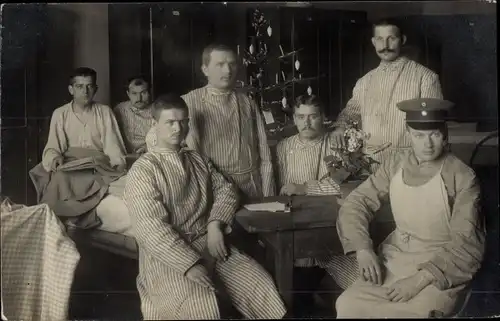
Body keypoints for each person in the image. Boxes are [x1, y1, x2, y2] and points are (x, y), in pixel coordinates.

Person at [124, 94, 287, 319]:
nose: (178, 128)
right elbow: (150, 229)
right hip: (166, 257)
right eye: (169, 122)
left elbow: (227, 191)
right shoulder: (144, 170)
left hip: (207, 242)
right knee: (201, 305)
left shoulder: (197, 159)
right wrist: (188, 265)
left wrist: (214, 224)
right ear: (154, 124)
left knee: (259, 284)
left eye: (183, 121)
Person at [334, 98, 486, 318]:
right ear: (408, 135)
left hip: (440, 271)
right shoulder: (396, 163)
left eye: (434, 134)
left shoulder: (462, 177)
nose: (427, 144)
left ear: (445, 135)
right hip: (395, 261)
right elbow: (356, 202)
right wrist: (362, 248)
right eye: (419, 136)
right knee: (347, 305)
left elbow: (467, 244)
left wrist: (417, 281)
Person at [146, 44, 275, 201]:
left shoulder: (247, 102)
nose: (228, 71)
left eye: (232, 64)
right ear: (205, 69)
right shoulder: (188, 102)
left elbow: (264, 153)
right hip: (211, 189)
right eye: (220, 65)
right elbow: (155, 140)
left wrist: (269, 196)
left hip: (251, 189)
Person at [276, 95, 358, 316]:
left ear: (324, 118)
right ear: (294, 119)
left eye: (313, 116)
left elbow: (344, 187)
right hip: (294, 226)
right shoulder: (284, 147)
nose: (307, 123)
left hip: (331, 226)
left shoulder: (337, 144)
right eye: (301, 117)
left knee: (356, 285)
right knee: (295, 289)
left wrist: (305, 188)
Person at [330, 19, 443, 171]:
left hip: (411, 164)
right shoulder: (364, 82)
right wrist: (339, 129)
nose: (385, 46)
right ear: (373, 42)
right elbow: (350, 113)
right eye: (380, 39)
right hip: (370, 166)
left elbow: (434, 128)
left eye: (392, 38)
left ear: (402, 40)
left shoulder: (425, 77)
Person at [42, 67, 127, 172]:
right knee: (61, 178)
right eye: (79, 86)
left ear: (95, 89)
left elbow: (113, 146)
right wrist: (54, 157)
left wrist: (119, 164)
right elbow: (53, 146)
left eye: (89, 86)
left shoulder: (105, 112)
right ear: (71, 90)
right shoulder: (60, 114)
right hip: (70, 164)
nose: (85, 91)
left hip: (97, 165)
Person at [114, 76, 154, 154]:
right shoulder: (119, 109)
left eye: (143, 93)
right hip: (125, 156)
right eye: (134, 93)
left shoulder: (157, 110)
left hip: (149, 154)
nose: (139, 98)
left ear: (149, 92)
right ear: (128, 94)